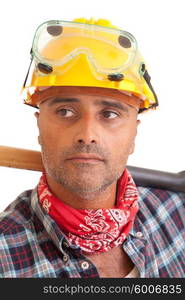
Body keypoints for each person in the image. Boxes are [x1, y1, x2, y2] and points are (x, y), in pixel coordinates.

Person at [0, 17, 184, 278]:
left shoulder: (177, 213)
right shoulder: (5, 256)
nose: (87, 135)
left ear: (134, 133)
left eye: (109, 114)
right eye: (65, 111)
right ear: (39, 126)